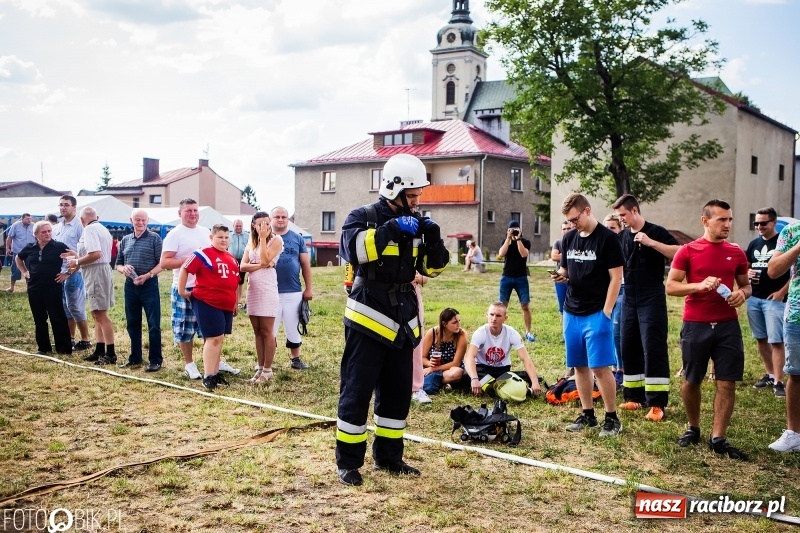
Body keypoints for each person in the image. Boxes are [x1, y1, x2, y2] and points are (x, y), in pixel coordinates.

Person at [335, 153, 449, 487]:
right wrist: (388, 230)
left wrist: (434, 239)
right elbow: (353, 251)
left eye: (418, 196)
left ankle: (389, 457)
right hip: (368, 315)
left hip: (403, 318)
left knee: (398, 393)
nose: (416, 202)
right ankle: (349, 463)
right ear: (393, 188)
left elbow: (432, 269)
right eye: (412, 195)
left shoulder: (416, 221)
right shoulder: (364, 216)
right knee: (357, 391)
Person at [666, 199, 750, 460]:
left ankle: (718, 437)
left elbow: (746, 285)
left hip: (727, 325)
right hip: (696, 324)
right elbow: (671, 286)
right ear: (705, 221)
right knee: (692, 380)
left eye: (730, 220)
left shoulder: (736, 252)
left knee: (727, 381)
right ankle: (693, 427)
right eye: (721, 220)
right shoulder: (688, 251)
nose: (727, 224)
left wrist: (743, 295)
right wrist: (698, 286)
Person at [551, 193, 623, 437]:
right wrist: (561, 275)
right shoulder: (569, 238)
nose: (573, 224)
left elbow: (616, 277)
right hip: (572, 311)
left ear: (587, 211)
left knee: (601, 367)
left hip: (597, 311)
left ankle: (612, 418)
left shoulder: (608, 239)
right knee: (579, 366)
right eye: (569, 221)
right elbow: (567, 269)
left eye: (575, 219)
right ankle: (588, 414)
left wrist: (606, 311)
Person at [612, 194, 680, 421]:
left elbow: (679, 253)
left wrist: (651, 243)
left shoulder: (656, 231)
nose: (621, 219)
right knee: (628, 345)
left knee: (653, 347)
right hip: (629, 297)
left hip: (652, 297)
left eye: (623, 214)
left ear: (634, 210)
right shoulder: (621, 236)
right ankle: (634, 397)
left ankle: (657, 403)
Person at [161, 198, 239, 379]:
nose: (193, 214)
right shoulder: (174, 234)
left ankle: (214, 363)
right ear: (179, 213)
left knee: (211, 330)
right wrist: (193, 260)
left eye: (195, 210)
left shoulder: (206, 232)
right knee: (185, 328)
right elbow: (165, 262)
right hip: (186, 289)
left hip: (209, 290)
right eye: (188, 211)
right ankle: (190, 364)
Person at [178, 224, 240, 391]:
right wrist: (181, 290)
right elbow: (185, 268)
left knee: (219, 338)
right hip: (207, 300)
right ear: (211, 238)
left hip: (225, 304)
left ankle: (215, 372)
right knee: (212, 338)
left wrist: (235, 302)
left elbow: (235, 282)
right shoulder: (202, 253)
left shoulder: (231, 257)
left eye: (226, 237)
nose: (224, 240)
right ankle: (208, 376)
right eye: (220, 237)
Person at [62, 207, 116, 364]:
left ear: (81, 219)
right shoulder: (101, 228)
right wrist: (77, 257)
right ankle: (100, 349)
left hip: (96, 273)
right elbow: (96, 254)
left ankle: (110, 353)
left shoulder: (90, 229)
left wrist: (76, 261)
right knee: (96, 313)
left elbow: (96, 254)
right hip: (98, 271)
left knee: (100, 314)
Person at [745, 207, 789, 397]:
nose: (759, 226)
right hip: (754, 298)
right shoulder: (754, 244)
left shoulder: (783, 243)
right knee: (761, 338)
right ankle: (770, 374)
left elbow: (795, 272)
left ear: (773, 223)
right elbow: (746, 266)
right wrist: (747, 274)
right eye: (756, 223)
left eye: (763, 223)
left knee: (776, 340)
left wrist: (781, 292)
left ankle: (779, 381)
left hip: (774, 300)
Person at [766, 219, 800, 452]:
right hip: (797, 314)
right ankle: (794, 433)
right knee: (796, 374)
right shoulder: (791, 231)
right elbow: (774, 270)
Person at [115, 209, 163, 372]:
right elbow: (117, 263)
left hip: (149, 285)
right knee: (132, 323)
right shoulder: (125, 240)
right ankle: (135, 357)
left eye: (143, 220)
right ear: (131, 221)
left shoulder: (155, 238)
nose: (140, 223)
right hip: (130, 286)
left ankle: (155, 360)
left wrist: (147, 275)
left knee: (153, 324)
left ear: (148, 221)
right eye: (137, 220)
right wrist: (124, 269)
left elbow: (161, 264)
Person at [15, 221, 72, 355]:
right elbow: (18, 258)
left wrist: (67, 273)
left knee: (57, 317)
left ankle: (63, 348)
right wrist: (24, 272)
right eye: (44, 232)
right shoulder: (30, 247)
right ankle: (43, 347)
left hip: (53, 288)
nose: (47, 234)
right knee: (39, 319)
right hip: (34, 288)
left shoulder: (59, 246)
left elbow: (75, 258)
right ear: (36, 234)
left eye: (49, 231)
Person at [464, 302, 542, 396]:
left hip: (502, 370)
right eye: (491, 314)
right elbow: (469, 357)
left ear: (505, 318)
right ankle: (508, 389)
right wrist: (474, 378)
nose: (494, 319)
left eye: (498, 315)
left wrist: (534, 381)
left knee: (534, 377)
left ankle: (495, 387)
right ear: (486, 315)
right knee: (466, 374)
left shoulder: (512, 333)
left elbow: (525, 359)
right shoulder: (480, 333)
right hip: (482, 369)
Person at [241, 212, 283, 384]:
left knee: (267, 331)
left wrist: (264, 238)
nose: (264, 227)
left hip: (267, 289)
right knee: (257, 331)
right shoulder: (251, 243)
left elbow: (267, 258)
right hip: (253, 290)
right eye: (260, 224)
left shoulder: (276, 240)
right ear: (253, 226)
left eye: (267, 223)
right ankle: (259, 367)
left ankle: (268, 369)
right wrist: (260, 266)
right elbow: (242, 266)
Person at [270, 206, 313, 370]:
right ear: (271, 219)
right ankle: (267, 361)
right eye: (277, 217)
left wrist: (308, 289)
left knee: (293, 326)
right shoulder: (265, 238)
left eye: (284, 217)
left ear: (288, 219)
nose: (280, 219)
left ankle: (296, 359)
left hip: (293, 291)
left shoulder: (297, 238)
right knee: (269, 330)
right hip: (270, 291)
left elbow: (305, 264)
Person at [52, 195, 92, 352]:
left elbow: (84, 251)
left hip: (75, 272)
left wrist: (70, 272)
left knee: (76, 306)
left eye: (66, 205)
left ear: (74, 207)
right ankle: (70, 338)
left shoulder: (80, 226)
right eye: (61, 205)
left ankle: (86, 339)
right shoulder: (58, 227)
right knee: (65, 307)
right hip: (59, 272)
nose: (63, 207)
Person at [498, 220, 535, 342]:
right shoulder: (505, 242)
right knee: (502, 306)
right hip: (507, 276)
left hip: (521, 277)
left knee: (525, 305)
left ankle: (528, 332)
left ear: (520, 230)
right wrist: (508, 239)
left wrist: (518, 239)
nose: (514, 231)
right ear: (507, 231)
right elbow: (501, 254)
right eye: (511, 230)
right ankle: (499, 331)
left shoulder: (525, 242)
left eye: (516, 229)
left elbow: (524, 255)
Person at [421, 307, 467, 396]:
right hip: (431, 368)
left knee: (457, 373)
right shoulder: (433, 333)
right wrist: (430, 364)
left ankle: (430, 381)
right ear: (444, 323)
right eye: (454, 322)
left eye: (459, 321)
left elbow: (456, 363)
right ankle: (443, 384)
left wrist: (433, 369)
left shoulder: (461, 334)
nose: (458, 325)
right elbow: (422, 357)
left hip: (449, 369)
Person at [602, 213, 625, 386]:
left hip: (623, 289)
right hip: (605, 290)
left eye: (613, 228)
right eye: (606, 227)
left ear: (620, 229)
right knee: (607, 329)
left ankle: (621, 369)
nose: (609, 231)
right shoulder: (601, 244)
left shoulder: (623, 244)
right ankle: (612, 366)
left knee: (617, 328)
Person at [411, 272, 432, 403]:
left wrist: (420, 278)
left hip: (412, 296)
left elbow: (425, 277)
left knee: (416, 343)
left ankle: (417, 388)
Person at [5, 213, 35, 293]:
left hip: (30, 252)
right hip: (18, 252)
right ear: (22, 219)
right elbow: (9, 237)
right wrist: (7, 248)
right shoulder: (15, 225)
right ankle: (11, 288)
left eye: (30, 218)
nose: (29, 220)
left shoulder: (34, 226)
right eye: (27, 219)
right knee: (15, 270)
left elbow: (38, 237)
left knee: (30, 270)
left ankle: (29, 288)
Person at [551, 220, 571, 317]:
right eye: (564, 229)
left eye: (568, 228)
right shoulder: (558, 242)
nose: (566, 231)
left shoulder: (577, 241)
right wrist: (571, 254)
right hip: (560, 279)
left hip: (573, 279)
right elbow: (554, 257)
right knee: (562, 308)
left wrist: (561, 255)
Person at [229, 219, 249, 308]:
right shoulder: (229, 235)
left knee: (240, 281)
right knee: (232, 280)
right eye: (237, 226)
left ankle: (239, 301)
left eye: (240, 226)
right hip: (231, 260)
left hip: (242, 260)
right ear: (233, 226)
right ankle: (232, 300)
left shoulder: (247, 236)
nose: (238, 228)